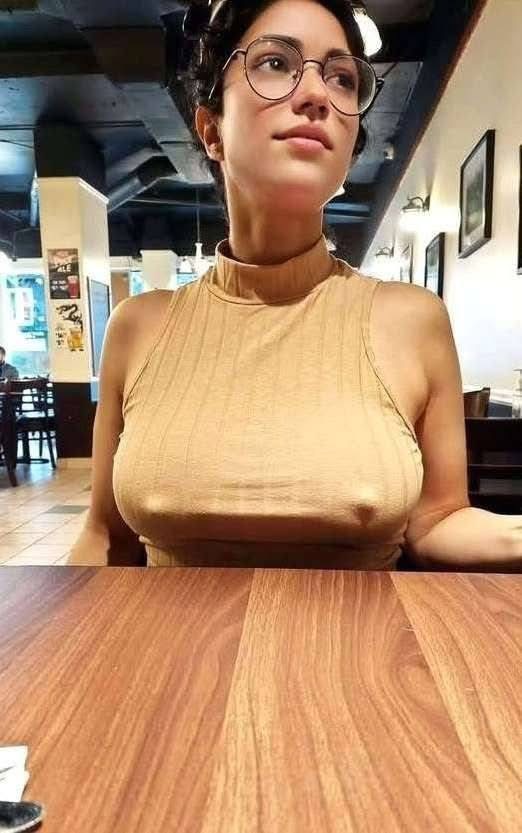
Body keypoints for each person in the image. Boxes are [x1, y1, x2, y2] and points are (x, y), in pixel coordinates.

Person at [69, 0, 521, 571]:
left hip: (357, 630)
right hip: (169, 633)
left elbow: (439, 521)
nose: (316, 94)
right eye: (276, 63)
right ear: (211, 130)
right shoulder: (138, 326)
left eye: (341, 77)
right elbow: (105, 538)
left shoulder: (413, 320)